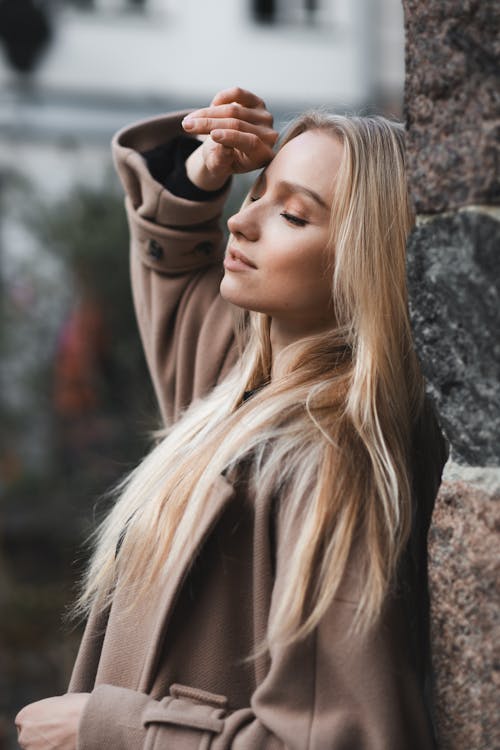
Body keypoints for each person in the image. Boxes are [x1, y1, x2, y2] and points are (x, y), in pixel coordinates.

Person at [16, 86, 447, 749]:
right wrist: (202, 174)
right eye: (257, 194)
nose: (241, 224)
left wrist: (110, 730)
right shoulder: (242, 395)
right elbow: (178, 276)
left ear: (366, 264)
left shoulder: (326, 460)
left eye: (294, 217)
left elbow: (351, 738)